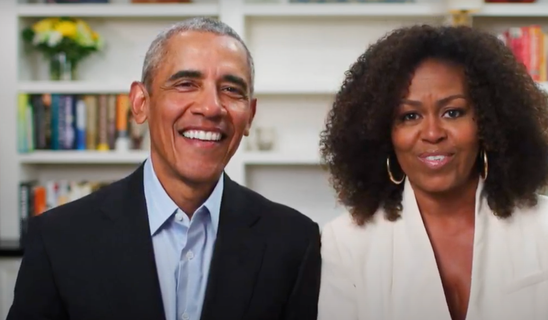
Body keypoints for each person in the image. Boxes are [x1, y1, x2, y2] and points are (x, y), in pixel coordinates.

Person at [8, 17, 321, 320]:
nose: (211, 107)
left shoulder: (294, 242)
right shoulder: (58, 238)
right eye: (186, 84)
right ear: (141, 103)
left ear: (250, 116)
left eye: (231, 90)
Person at [317, 24, 548, 320]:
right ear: (382, 134)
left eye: (452, 112)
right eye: (409, 116)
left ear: (489, 123)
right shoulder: (346, 242)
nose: (432, 133)